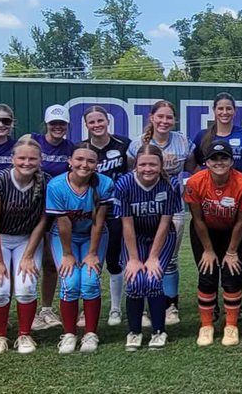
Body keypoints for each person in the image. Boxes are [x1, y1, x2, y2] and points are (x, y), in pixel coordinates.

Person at [0, 136, 51, 357]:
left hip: (27, 238)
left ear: (40, 159)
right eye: (21, 158)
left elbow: (43, 221)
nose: (26, 162)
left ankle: (24, 334)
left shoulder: (46, 181)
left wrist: (28, 255)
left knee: (27, 286)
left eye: (32, 158)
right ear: (12, 158)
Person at [128, 100, 196, 327]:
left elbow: (193, 169)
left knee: (170, 259)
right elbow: (130, 171)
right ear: (151, 117)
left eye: (169, 117)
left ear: (174, 120)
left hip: (173, 206)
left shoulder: (182, 141)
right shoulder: (138, 143)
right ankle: (146, 307)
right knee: (144, 255)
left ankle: (170, 305)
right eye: (161, 117)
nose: (165, 121)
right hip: (143, 207)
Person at [46, 143, 115, 355]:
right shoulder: (57, 185)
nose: (84, 164)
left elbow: (99, 222)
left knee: (90, 280)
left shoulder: (104, 183)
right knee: (70, 281)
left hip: (94, 236)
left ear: (97, 165)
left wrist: (92, 253)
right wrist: (67, 254)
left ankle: (90, 333)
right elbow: (63, 223)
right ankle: (69, 334)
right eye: (79, 159)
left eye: (90, 160)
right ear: (70, 161)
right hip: (64, 237)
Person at [184, 142, 242, 347]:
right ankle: (206, 325)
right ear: (206, 162)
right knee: (207, 275)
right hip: (205, 232)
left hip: (233, 232)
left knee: (233, 275)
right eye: (214, 158)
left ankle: (231, 325)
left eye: (224, 158)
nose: (219, 162)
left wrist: (232, 251)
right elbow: (197, 219)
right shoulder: (196, 182)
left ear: (232, 161)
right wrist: (208, 250)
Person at [114, 145, 180, 350]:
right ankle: (134, 332)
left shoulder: (171, 184)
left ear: (161, 166)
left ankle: (159, 331)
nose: (147, 169)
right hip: (135, 237)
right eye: (143, 164)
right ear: (135, 165)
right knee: (135, 281)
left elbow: (165, 222)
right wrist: (133, 259)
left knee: (152, 279)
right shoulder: (125, 183)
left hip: (161, 237)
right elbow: (126, 223)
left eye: (153, 164)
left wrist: (153, 257)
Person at [82, 105, 133, 328]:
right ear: (86, 125)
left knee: (114, 260)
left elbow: (132, 173)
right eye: (92, 122)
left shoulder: (123, 144)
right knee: (89, 261)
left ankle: (115, 308)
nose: (96, 125)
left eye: (100, 120)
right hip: (88, 212)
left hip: (115, 210)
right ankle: (85, 310)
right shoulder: (81, 148)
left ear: (107, 121)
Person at [32, 104, 76, 332]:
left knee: (50, 262)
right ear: (46, 124)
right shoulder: (32, 140)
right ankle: (27, 312)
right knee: (28, 261)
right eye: (53, 124)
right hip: (30, 208)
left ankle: (46, 309)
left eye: (61, 124)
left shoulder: (71, 147)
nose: (57, 127)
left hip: (58, 211)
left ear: (67, 125)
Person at [192, 92, 242, 175]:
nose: (225, 112)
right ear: (214, 110)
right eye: (220, 108)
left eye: (229, 108)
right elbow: (193, 163)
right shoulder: (202, 136)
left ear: (235, 110)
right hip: (211, 186)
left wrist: (241, 172)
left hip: (238, 185)